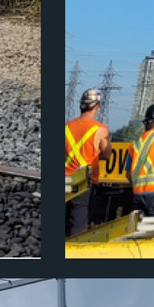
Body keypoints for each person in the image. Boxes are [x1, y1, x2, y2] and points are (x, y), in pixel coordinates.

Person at [63, 90, 111, 237]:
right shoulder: (101, 130)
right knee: (79, 225)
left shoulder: (67, 127)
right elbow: (107, 155)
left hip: (65, 178)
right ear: (96, 107)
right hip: (84, 183)